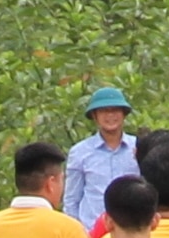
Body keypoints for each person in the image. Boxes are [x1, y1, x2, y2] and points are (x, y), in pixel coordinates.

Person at [60, 86, 141, 227]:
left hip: (132, 229)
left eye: (115, 110)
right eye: (104, 111)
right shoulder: (80, 152)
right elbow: (72, 200)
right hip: (92, 230)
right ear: (94, 116)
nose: (110, 116)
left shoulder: (139, 147)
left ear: (123, 114)